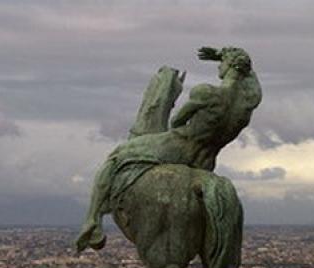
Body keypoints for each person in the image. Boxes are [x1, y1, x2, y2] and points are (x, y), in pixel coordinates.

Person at [76, 47, 262, 252]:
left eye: (221, 63)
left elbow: (177, 121)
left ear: (228, 65)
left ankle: (92, 221)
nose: (219, 65)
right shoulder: (246, 104)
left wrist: (223, 56)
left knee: (117, 157)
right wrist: (233, 60)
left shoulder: (206, 92)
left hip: (181, 146)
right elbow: (251, 80)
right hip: (206, 160)